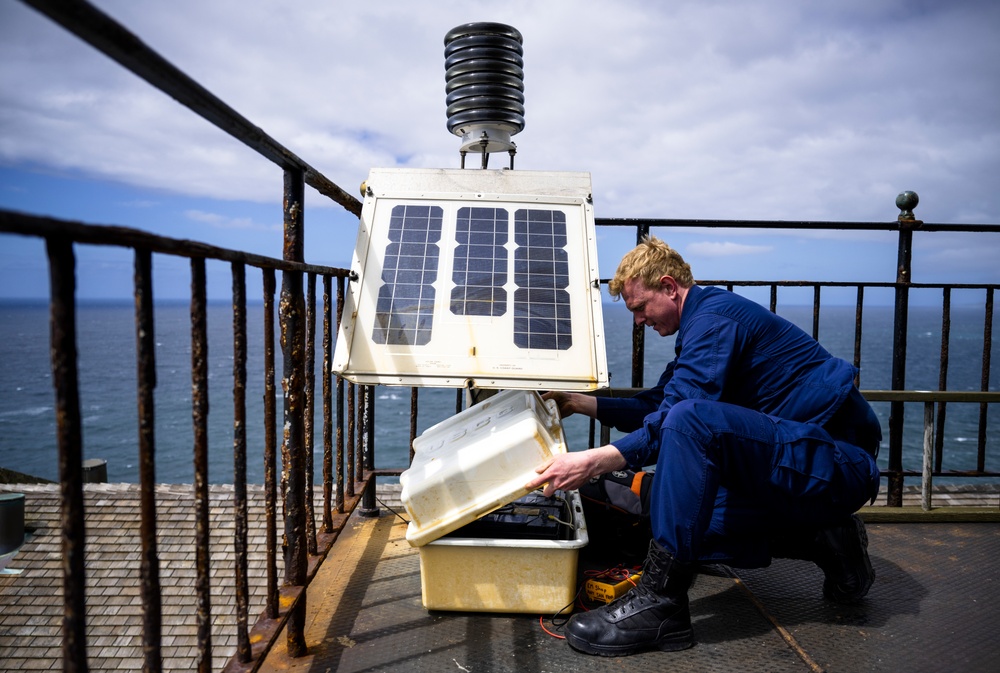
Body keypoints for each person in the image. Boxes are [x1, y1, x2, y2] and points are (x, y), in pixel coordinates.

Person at [526, 236, 881, 656]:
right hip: (799, 465)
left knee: (690, 428)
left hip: (835, 463)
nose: (638, 321)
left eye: (640, 308)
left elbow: (682, 417)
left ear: (669, 287)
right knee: (678, 514)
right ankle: (828, 538)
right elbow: (660, 405)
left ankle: (662, 604)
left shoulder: (714, 322)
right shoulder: (702, 322)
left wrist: (594, 461)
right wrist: (580, 403)